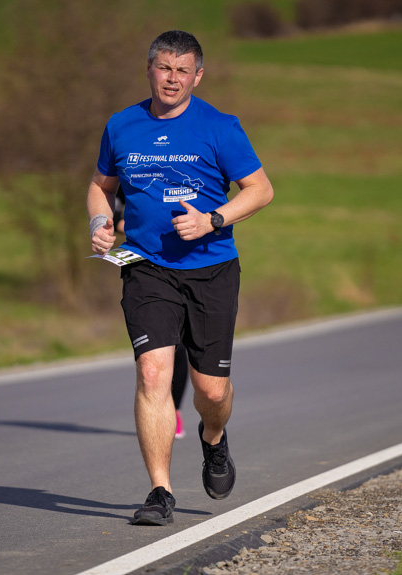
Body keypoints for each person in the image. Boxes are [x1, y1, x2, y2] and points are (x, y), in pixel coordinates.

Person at [87, 30, 274, 525]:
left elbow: (260, 190)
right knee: (153, 373)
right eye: (163, 68)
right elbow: (99, 187)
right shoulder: (121, 125)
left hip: (212, 269)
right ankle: (159, 492)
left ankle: (213, 439)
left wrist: (212, 219)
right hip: (146, 266)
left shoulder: (220, 126)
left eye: (182, 70)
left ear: (197, 75)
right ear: (149, 69)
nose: (172, 79)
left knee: (211, 391)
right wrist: (99, 223)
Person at [114, 186, 189, 439]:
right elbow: (111, 199)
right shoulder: (131, 163)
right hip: (146, 265)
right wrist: (117, 222)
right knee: (156, 357)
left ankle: (174, 408)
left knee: (181, 346)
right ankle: (160, 409)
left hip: (190, 262)